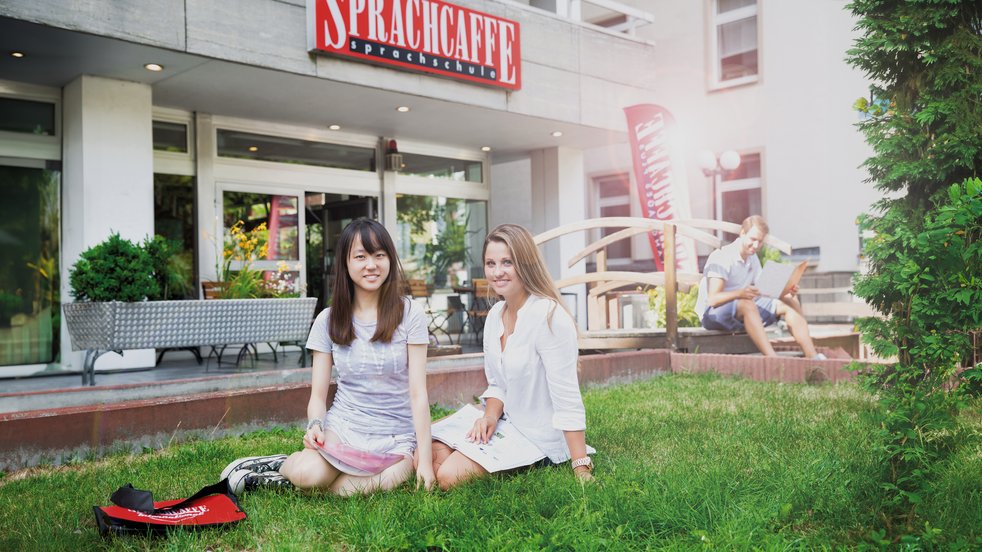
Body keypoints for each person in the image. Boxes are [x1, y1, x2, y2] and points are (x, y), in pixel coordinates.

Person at [220, 218, 435, 495]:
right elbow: (318, 396)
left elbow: (419, 394)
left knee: (347, 490)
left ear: (390, 260)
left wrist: (425, 462)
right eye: (361, 256)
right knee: (308, 474)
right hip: (345, 426)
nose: (371, 265)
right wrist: (315, 425)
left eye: (379, 255)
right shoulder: (328, 320)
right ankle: (283, 465)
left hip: (395, 436)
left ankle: (282, 480)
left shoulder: (410, 314)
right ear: (346, 264)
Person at [426, 223, 594, 490]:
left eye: (507, 262)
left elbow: (568, 398)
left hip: (538, 437)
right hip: (507, 424)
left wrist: (580, 466)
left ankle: (531, 462)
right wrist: (489, 417)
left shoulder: (548, 317)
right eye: (491, 263)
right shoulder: (495, 316)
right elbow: (498, 384)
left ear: (525, 264)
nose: (497, 272)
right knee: (428, 451)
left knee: (447, 476)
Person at [694, 215, 825, 359]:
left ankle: (813, 357)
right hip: (712, 314)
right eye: (753, 239)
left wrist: (787, 290)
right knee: (747, 304)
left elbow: (765, 290)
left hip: (740, 309)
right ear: (742, 233)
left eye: (760, 241)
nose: (756, 246)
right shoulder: (723, 256)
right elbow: (713, 299)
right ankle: (773, 359)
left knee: (789, 301)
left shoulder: (752, 258)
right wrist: (741, 293)